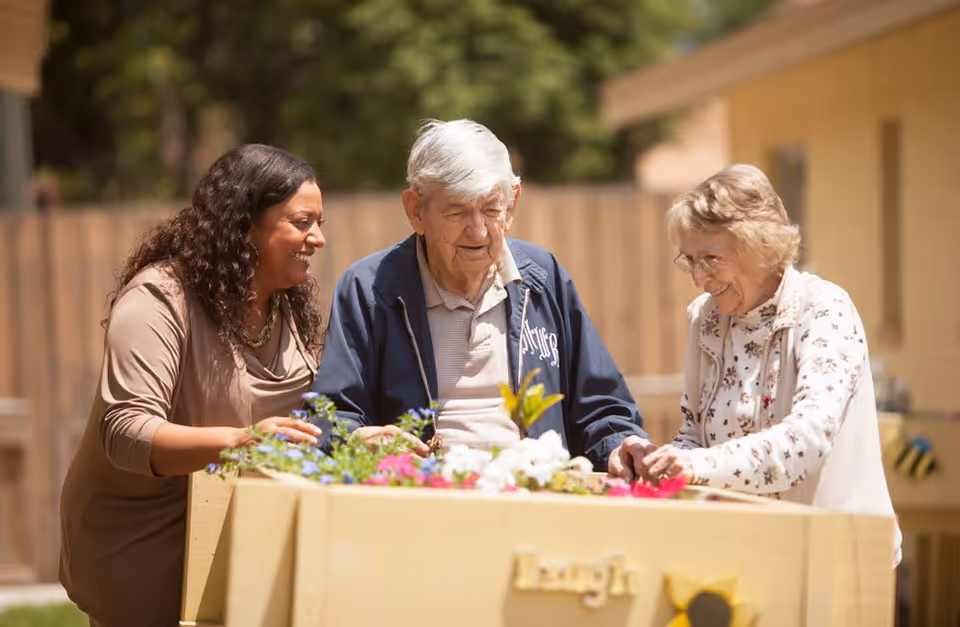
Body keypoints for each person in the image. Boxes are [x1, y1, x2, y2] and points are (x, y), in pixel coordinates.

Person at [59, 144, 326, 626]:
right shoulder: (160, 298)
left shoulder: (288, 308)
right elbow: (126, 431)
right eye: (302, 222)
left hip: (239, 541)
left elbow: (300, 424)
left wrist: (352, 437)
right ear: (245, 223)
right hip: (146, 551)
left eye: (318, 222)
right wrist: (241, 444)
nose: (319, 238)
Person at [312, 119, 651, 474]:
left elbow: (601, 406)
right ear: (415, 210)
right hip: (424, 500)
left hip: (534, 495)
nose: (478, 231)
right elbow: (332, 416)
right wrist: (358, 441)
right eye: (456, 212)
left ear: (512, 203)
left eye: (491, 209)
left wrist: (619, 446)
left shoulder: (542, 277)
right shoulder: (370, 289)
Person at [639, 164, 901, 561]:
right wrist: (659, 463)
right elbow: (695, 435)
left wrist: (692, 464)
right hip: (747, 553)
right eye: (689, 260)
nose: (698, 277)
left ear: (758, 244)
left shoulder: (824, 309)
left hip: (841, 558)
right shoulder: (704, 318)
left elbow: (805, 441)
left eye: (710, 259)